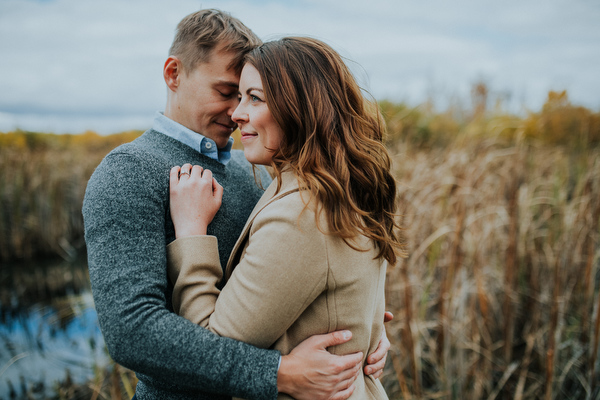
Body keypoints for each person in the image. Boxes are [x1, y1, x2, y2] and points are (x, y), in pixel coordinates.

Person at [82, 9, 389, 400]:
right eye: (227, 92)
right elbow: (134, 331)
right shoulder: (128, 173)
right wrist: (275, 374)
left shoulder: (258, 166)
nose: (235, 112)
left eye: (249, 96)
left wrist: (362, 325)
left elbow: (301, 276)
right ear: (174, 74)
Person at [167, 37, 405, 399]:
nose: (237, 113)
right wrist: (369, 325)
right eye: (238, 96)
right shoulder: (342, 187)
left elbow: (211, 345)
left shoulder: (304, 213)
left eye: (255, 98)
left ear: (300, 108)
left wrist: (190, 231)